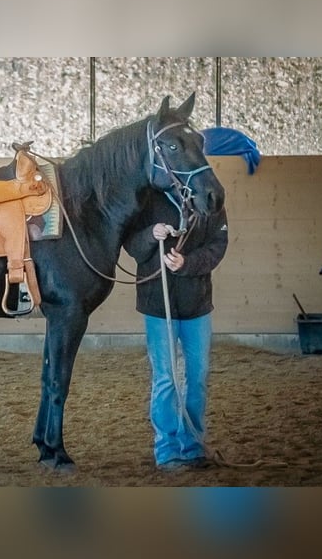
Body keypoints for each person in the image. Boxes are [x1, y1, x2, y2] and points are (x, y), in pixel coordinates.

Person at [123, 188, 228, 471]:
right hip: (158, 304)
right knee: (165, 377)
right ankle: (167, 447)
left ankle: (192, 444)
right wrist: (150, 234)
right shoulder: (147, 198)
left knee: (198, 375)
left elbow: (218, 244)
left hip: (197, 303)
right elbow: (132, 244)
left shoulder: (210, 196)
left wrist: (187, 264)